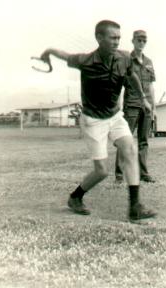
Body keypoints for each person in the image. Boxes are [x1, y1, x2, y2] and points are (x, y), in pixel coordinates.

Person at [39, 20, 157, 221]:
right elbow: (64, 55)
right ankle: (75, 197)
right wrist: (47, 51)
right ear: (99, 38)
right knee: (101, 171)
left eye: (119, 38)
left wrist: (143, 98)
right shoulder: (85, 61)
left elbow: (133, 77)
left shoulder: (124, 58)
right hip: (93, 120)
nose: (117, 42)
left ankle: (135, 207)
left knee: (129, 150)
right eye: (112, 38)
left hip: (115, 115)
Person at [115, 30, 156, 184]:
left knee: (144, 141)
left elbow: (151, 86)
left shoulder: (149, 62)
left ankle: (143, 173)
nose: (141, 43)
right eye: (139, 40)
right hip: (131, 105)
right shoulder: (126, 60)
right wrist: (117, 106)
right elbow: (119, 84)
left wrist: (154, 107)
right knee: (125, 139)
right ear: (133, 41)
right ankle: (119, 174)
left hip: (146, 107)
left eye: (144, 40)